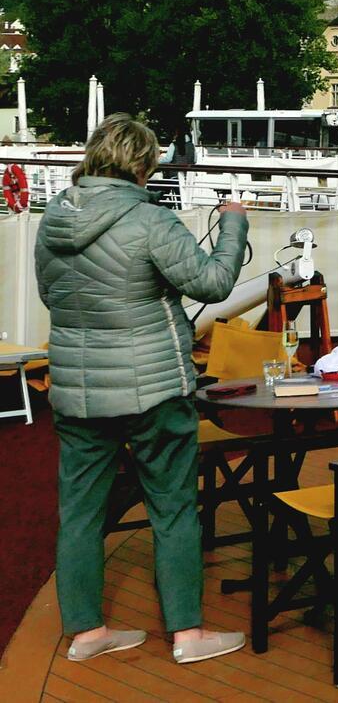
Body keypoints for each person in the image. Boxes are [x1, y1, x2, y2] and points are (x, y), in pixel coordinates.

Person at [36, 114, 249, 665]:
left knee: (80, 513)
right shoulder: (151, 220)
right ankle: (187, 635)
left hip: (77, 390)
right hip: (153, 388)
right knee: (173, 509)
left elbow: (50, 294)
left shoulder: (53, 218)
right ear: (143, 163)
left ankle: (86, 634)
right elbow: (214, 283)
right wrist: (233, 225)